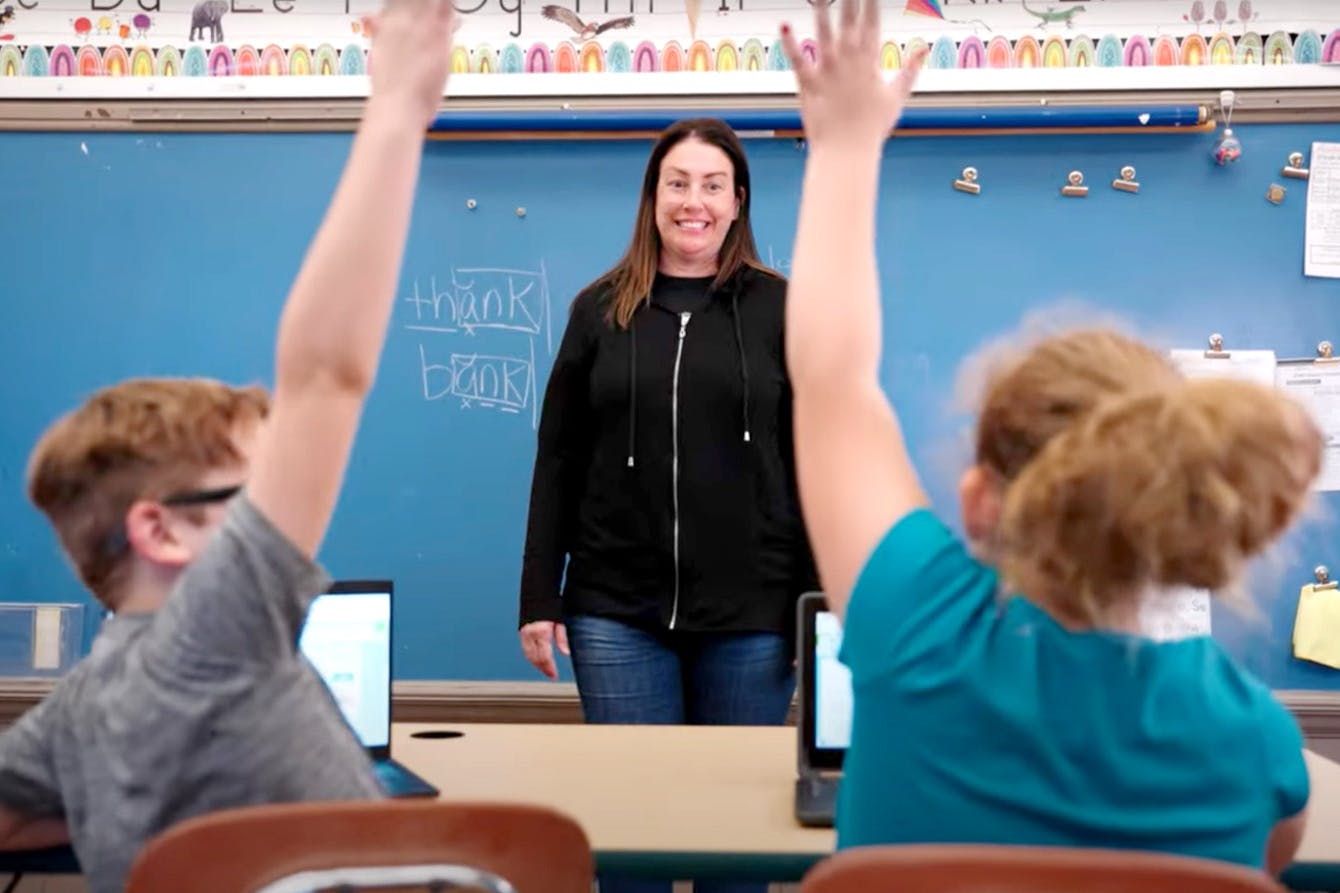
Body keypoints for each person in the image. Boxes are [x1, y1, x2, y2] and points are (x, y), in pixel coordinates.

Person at [778, 0, 1317, 877]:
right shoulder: (1253, 738)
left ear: (981, 502)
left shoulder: (915, 622)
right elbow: (1265, 857)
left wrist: (844, 147)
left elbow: (832, 378)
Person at [0, 4, 456, 890]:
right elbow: (326, 372)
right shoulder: (213, 634)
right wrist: (398, 106)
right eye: (253, 491)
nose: (286, 505)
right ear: (162, 533)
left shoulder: (84, 707)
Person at [517, 117, 817, 891]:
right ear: (653, 198)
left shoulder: (784, 309)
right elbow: (557, 461)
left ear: (738, 200)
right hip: (616, 612)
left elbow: (818, 462)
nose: (695, 201)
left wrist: (816, 609)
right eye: (678, 183)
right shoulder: (599, 310)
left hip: (754, 618)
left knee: (734, 850)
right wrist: (538, 597)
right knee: (631, 847)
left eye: (713, 185)